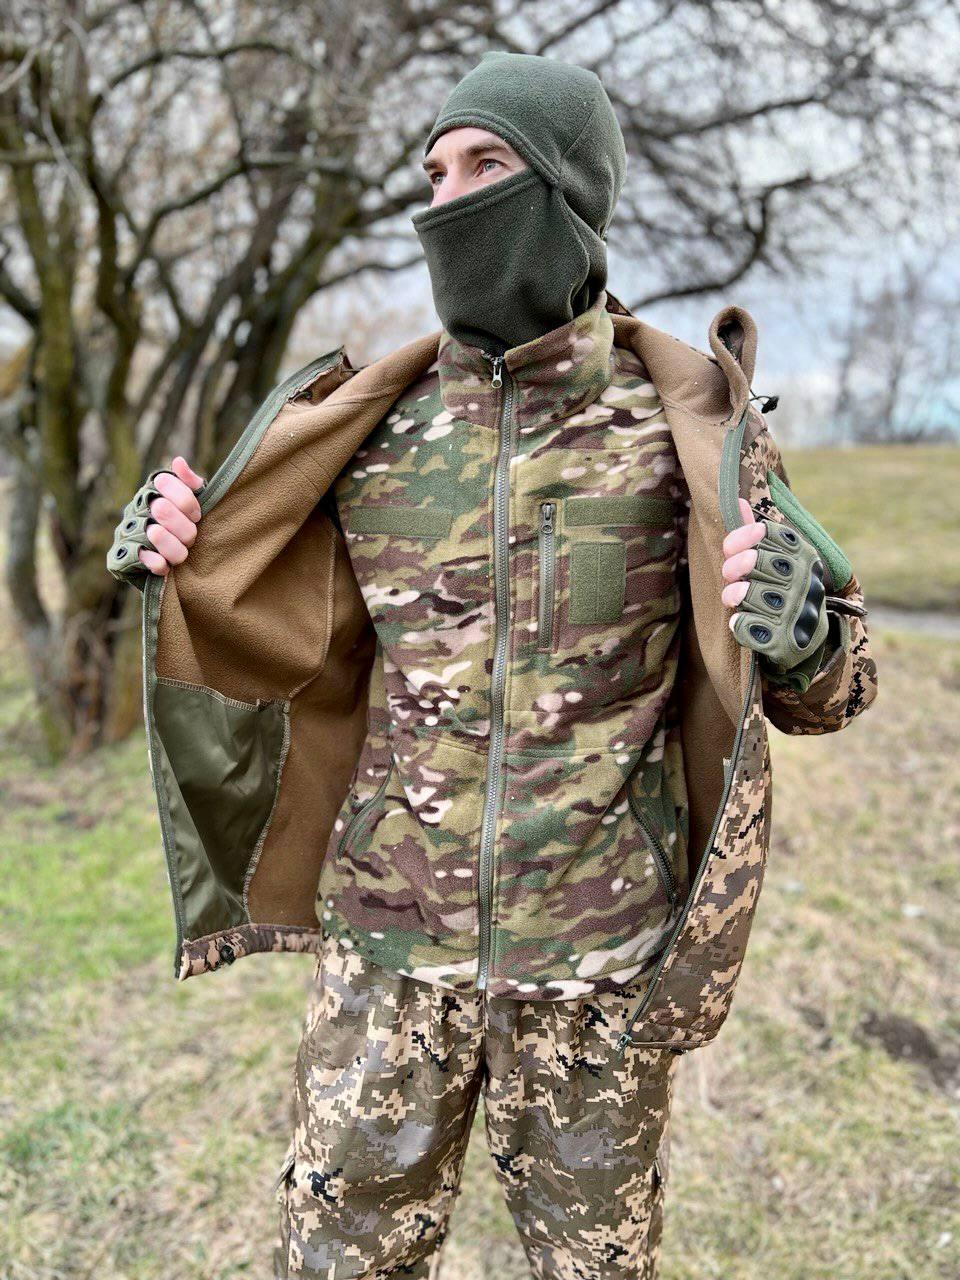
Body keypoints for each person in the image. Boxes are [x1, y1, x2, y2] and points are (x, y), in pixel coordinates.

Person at [107, 51, 877, 1280]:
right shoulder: (371, 428)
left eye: (486, 164)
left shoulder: (685, 430)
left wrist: (811, 642)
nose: (447, 200)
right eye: (433, 172)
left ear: (568, 188)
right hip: (386, 957)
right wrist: (174, 555)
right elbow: (264, 617)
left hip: (596, 971)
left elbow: (835, 688)